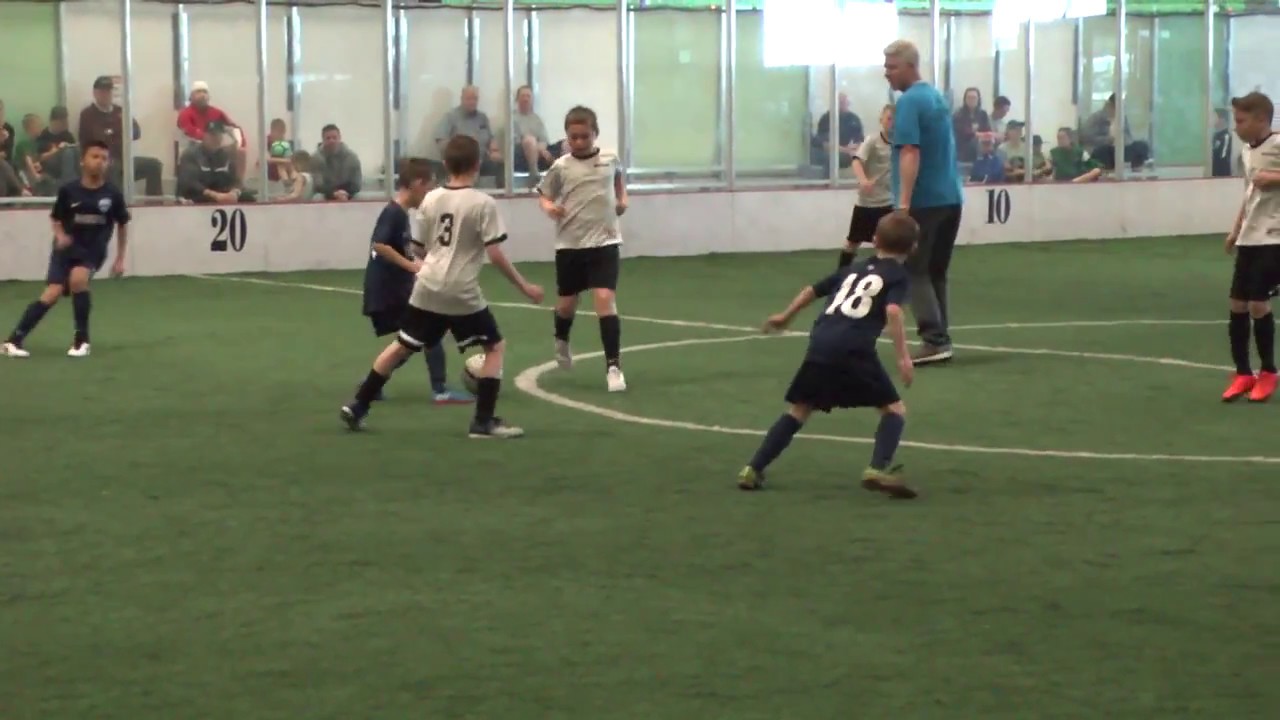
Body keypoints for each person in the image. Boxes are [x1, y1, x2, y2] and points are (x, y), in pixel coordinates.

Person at [342, 135, 544, 437]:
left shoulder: (431, 199)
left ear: (446, 164)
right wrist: (524, 286)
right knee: (494, 346)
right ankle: (483, 421)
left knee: (401, 346)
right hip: (461, 290)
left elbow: (418, 249)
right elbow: (495, 253)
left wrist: (432, 266)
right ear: (477, 165)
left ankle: (358, 405)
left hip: (427, 285)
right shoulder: (483, 203)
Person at [737, 213, 920, 499]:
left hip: (821, 344)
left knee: (800, 409)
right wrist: (903, 357)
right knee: (894, 410)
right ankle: (877, 468)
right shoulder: (898, 276)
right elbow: (894, 311)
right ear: (913, 248)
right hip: (855, 349)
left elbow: (812, 290)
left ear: (874, 240)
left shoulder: (852, 269)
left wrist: (785, 316)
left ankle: (753, 468)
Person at [359, 157, 473, 404]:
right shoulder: (394, 212)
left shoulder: (400, 214)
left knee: (413, 340)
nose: (430, 193)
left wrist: (426, 258)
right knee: (430, 330)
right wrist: (411, 266)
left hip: (392, 289)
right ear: (417, 183)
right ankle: (440, 390)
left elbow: (402, 247)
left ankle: (372, 383)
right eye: (429, 186)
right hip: (388, 291)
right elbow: (380, 244)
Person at [2, 141, 129, 358]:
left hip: (92, 250)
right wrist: (60, 236)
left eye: (104, 158)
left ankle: (82, 341)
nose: (100, 162)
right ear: (82, 161)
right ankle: (13, 341)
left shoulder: (112, 194)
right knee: (51, 293)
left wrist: (120, 258)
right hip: (65, 249)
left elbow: (123, 224)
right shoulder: (69, 191)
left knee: (78, 279)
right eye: (95, 157)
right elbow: (56, 219)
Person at [537, 105, 630, 392]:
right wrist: (549, 207)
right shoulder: (561, 166)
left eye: (584, 136)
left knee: (604, 299)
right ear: (567, 137)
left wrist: (622, 199)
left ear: (595, 133)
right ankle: (561, 339)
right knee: (567, 305)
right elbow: (544, 195)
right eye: (573, 137)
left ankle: (613, 367)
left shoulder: (610, 158)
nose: (578, 142)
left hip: (605, 242)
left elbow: (619, 180)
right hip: (570, 245)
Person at [883, 39, 963, 367]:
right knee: (936, 270)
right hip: (951, 197)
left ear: (910, 66)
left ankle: (934, 339)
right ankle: (941, 336)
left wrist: (903, 204)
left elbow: (910, 151)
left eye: (892, 67)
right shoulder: (935, 97)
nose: (886, 73)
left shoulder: (909, 102)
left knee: (916, 270)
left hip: (925, 200)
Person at [1222, 91, 1280, 403]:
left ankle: (1268, 372)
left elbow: (1269, 181)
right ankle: (1243, 373)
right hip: (1250, 236)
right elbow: (1249, 195)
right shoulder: (1246, 151)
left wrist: (1275, 177)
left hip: (1274, 238)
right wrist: (1235, 230)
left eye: (1241, 121)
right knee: (1237, 304)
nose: (1236, 127)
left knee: (1259, 304)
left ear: (1261, 119)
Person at [840, 103, 894, 268]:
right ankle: (841, 274)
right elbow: (856, 161)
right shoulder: (872, 140)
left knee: (889, 242)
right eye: (889, 119)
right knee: (853, 242)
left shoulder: (903, 142)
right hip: (868, 203)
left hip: (890, 202)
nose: (892, 123)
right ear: (881, 119)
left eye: (896, 120)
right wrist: (863, 180)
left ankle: (886, 275)